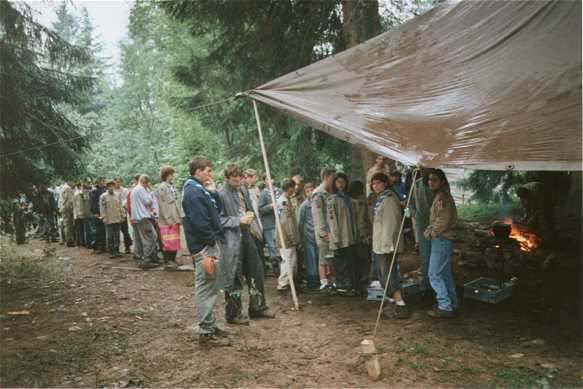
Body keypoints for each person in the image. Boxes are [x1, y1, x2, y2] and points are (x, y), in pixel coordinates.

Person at [182, 155, 230, 346]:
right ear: (198, 171)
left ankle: (210, 324)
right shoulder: (193, 192)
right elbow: (200, 222)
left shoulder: (200, 190)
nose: (210, 174)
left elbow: (215, 208)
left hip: (207, 245)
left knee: (211, 287)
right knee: (206, 288)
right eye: (208, 170)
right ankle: (206, 332)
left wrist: (214, 192)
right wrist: (211, 240)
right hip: (204, 248)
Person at [218, 163, 275, 324]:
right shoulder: (221, 195)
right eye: (234, 181)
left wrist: (250, 216)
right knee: (235, 275)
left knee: (256, 270)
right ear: (226, 179)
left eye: (239, 180)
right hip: (231, 240)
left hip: (248, 235)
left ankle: (258, 307)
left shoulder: (242, 189)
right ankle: (233, 313)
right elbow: (218, 220)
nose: (238, 184)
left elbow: (249, 208)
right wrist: (238, 220)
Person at [371, 172, 409, 319]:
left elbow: (390, 224)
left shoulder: (390, 198)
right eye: (373, 183)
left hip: (387, 245)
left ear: (385, 183)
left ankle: (400, 304)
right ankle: (392, 303)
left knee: (389, 275)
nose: (375, 186)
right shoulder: (380, 199)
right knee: (383, 275)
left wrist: (387, 245)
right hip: (380, 244)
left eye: (378, 183)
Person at [424, 169, 458, 318]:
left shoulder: (443, 198)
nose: (431, 182)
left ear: (442, 181)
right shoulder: (440, 196)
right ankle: (452, 303)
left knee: (433, 274)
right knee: (444, 274)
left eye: (435, 180)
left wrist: (431, 232)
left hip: (442, 239)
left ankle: (444, 306)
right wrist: (430, 228)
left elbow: (442, 221)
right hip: (443, 239)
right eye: (430, 180)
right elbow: (437, 219)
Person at [326, 172, 357, 295]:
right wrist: (335, 238)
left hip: (349, 237)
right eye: (338, 182)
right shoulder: (332, 199)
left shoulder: (348, 198)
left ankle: (350, 285)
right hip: (340, 238)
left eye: (343, 182)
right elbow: (332, 221)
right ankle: (342, 286)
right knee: (341, 263)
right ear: (334, 183)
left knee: (349, 262)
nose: (341, 185)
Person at [410, 168, 435, 293]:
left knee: (437, 257)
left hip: (436, 225)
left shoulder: (436, 183)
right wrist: (415, 214)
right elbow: (411, 202)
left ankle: (437, 287)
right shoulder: (417, 183)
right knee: (425, 256)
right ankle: (427, 287)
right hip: (422, 224)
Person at [311, 167, 336, 291]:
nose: (334, 180)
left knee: (330, 258)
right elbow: (318, 216)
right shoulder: (318, 194)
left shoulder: (329, 192)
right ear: (326, 177)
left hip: (331, 231)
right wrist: (323, 233)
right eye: (333, 177)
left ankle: (331, 281)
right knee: (323, 258)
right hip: (324, 232)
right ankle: (323, 282)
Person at [276, 178, 300, 292]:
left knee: (292, 260)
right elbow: (286, 222)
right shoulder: (283, 202)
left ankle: (290, 282)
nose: (294, 190)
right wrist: (292, 237)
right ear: (289, 188)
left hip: (289, 236)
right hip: (286, 237)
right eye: (293, 188)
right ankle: (283, 283)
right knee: (288, 260)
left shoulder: (287, 200)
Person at [131, 175, 159, 268]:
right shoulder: (141, 189)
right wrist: (149, 191)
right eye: (147, 183)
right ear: (145, 182)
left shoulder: (134, 189)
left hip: (136, 218)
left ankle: (143, 258)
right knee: (151, 237)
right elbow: (148, 202)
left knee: (140, 239)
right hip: (143, 217)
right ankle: (146, 260)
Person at [156, 166, 182, 268]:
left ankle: (173, 258)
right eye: (171, 174)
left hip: (175, 217)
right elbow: (163, 205)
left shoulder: (171, 186)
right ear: (167, 175)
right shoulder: (162, 187)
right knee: (167, 240)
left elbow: (175, 201)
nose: (173, 176)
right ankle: (168, 260)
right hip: (167, 219)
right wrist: (168, 219)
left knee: (174, 239)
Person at [349, 180, 372, 294]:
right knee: (363, 260)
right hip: (360, 236)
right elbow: (362, 221)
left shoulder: (351, 202)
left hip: (356, 236)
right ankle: (362, 282)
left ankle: (359, 283)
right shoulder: (357, 203)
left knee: (359, 261)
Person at [258, 173, 281, 276]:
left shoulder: (278, 191)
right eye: (267, 179)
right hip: (269, 224)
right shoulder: (263, 193)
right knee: (272, 248)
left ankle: (283, 270)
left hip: (279, 223)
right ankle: (276, 271)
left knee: (280, 247)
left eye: (271, 178)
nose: (269, 181)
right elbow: (260, 209)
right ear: (264, 181)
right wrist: (271, 206)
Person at [298, 182, 319, 291]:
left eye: (312, 190)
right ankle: (312, 282)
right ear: (305, 193)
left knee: (318, 259)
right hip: (308, 236)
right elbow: (300, 223)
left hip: (318, 236)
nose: (310, 193)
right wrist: (301, 238)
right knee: (310, 260)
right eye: (307, 191)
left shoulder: (318, 202)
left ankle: (319, 280)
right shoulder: (304, 206)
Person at [100, 180, 124, 258]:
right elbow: (102, 208)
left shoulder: (117, 195)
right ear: (107, 187)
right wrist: (104, 217)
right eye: (109, 186)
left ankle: (116, 250)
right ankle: (111, 251)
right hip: (108, 219)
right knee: (109, 236)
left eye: (112, 186)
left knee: (117, 235)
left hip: (117, 218)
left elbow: (120, 206)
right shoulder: (103, 196)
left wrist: (122, 215)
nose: (111, 188)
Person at [115, 178, 133, 254]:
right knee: (116, 231)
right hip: (115, 213)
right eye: (116, 182)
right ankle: (116, 248)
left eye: (119, 182)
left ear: (121, 182)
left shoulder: (125, 190)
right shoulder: (113, 191)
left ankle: (127, 246)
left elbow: (127, 200)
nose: (117, 183)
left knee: (125, 230)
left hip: (123, 212)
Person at [90, 178, 107, 253]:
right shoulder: (94, 191)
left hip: (104, 213)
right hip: (98, 213)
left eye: (104, 181)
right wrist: (95, 213)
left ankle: (103, 246)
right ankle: (96, 246)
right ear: (98, 182)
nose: (104, 182)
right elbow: (92, 203)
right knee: (98, 231)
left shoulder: (105, 190)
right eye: (102, 181)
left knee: (104, 230)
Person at [59, 180, 75, 247]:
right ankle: (69, 241)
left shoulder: (63, 187)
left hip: (63, 207)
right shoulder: (68, 188)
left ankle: (65, 240)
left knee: (65, 225)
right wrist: (72, 208)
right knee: (68, 225)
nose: (73, 183)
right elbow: (69, 200)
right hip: (67, 208)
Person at [73, 183, 87, 247]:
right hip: (78, 214)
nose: (82, 188)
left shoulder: (82, 194)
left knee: (82, 228)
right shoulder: (76, 194)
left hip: (82, 213)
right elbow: (75, 205)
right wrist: (76, 214)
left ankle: (82, 242)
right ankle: (79, 242)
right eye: (81, 187)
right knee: (79, 229)